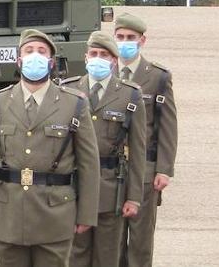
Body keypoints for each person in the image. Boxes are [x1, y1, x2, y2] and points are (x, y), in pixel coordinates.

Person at [0, 29, 99, 267]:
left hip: (55, 216)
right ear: (19, 60)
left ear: (51, 62)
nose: (34, 56)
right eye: (29, 51)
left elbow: (89, 163)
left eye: (41, 52)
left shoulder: (74, 104)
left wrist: (87, 213)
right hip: (8, 216)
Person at [62, 31, 146, 267]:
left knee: (107, 256)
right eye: (94, 53)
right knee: (75, 256)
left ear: (114, 60)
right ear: (86, 57)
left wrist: (134, 197)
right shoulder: (68, 91)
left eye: (105, 54)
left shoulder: (130, 95)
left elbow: (138, 151)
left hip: (111, 189)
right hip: (75, 187)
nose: (98, 58)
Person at [113, 13, 177, 267]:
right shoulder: (104, 73)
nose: (125, 42)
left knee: (140, 241)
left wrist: (163, 169)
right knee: (112, 239)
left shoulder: (157, 77)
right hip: (111, 172)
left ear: (143, 40)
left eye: (131, 38)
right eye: (120, 37)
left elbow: (167, 126)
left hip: (145, 171)